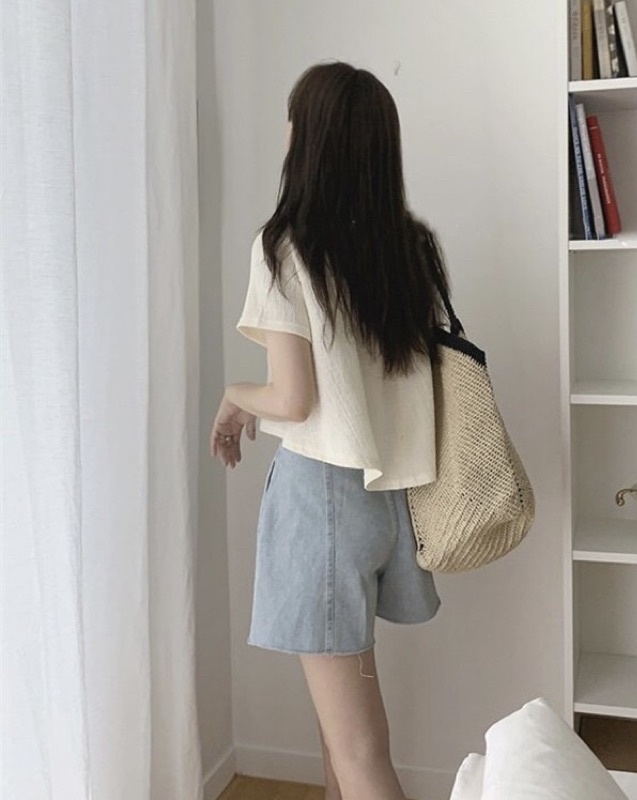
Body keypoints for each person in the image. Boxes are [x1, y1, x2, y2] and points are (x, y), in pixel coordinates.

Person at [209, 62, 451, 800]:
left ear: (307, 138)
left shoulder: (286, 247)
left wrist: (234, 395)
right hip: (388, 503)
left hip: (322, 501)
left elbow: (291, 397)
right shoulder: (410, 247)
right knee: (341, 735)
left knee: (360, 751)